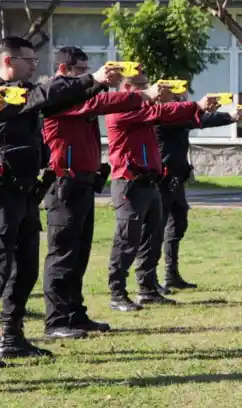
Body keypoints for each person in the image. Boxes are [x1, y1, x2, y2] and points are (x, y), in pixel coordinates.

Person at [0, 36, 122, 362]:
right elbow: (43, 95)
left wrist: (95, 85)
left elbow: (54, 100)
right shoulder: (4, 94)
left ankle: (11, 337)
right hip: (3, 194)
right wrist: (91, 79)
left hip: (24, 193)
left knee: (24, 270)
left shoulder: (22, 92)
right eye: (29, 60)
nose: (34, 66)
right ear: (9, 60)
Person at [41, 47, 168, 339]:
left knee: (80, 253)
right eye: (80, 70)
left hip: (83, 184)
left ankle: (75, 314)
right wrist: (141, 95)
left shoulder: (77, 96)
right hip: (64, 184)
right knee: (63, 255)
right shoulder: (60, 98)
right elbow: (101, 104)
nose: (87, 74)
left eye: (88, 68)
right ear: (64, 69)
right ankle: (57, 320)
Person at [105, 73, 218, 312]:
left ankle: (147, 289)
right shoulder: (122, 110)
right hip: (129, 183)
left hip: (150, 182)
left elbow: (165, 114)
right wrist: (195, 105)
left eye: (147, 86)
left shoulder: (143, 108)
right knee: (127, 240)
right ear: (127, 88)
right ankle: (117, 293)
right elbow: (160, 114)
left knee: (153, 237)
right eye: (142, 87)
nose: (147, 90)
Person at [154, 98, 242, 293]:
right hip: (161, 179)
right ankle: (149, 281)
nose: (181, 101)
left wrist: (227, 116)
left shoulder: (175, 116)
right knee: (155, 231)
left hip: (177, 178)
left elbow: (196, 119)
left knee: (177, 225)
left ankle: (171, 275)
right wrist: (227, 116)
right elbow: (195, 120)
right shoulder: (160, 115)